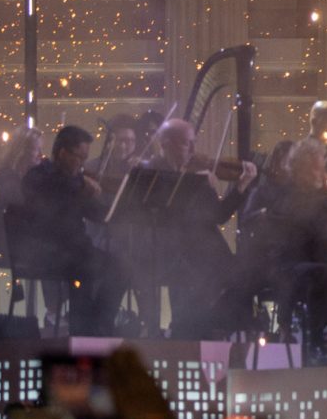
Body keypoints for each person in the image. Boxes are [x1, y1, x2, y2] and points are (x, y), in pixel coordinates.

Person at [120, 115, 256, 339]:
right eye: (186, 143)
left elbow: (218, 215)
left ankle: (213, 328)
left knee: (239, 274)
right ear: (165, 144)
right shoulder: (152, 171)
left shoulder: (199, 177)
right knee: (195, 277)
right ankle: (188, 331)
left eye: (193, 142)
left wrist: (241, 186)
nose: (193, 148)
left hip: (201, 252)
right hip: (164, 252)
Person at [242, 137, 327, 362]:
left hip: (316, 266)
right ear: (302, 170)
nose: (323, 174)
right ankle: (316, 340)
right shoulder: (284, 195)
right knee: (320, 275)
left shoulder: (320, 199)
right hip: (284, 267)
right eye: (318, 169)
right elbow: (295, 214)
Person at [18, 125, 122, 332]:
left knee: (120, 269)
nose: (82, 165)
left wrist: (117, 204)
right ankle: (85, 329)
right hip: (49, 252)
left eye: (85, 159)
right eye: (79, 158)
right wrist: (81, 187)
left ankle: (99, 326)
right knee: (87, 270)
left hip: (76, 250)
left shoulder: (75, 180)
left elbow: (97, 213)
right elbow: (54, 195)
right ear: (63, 153)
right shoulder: (39, 176)